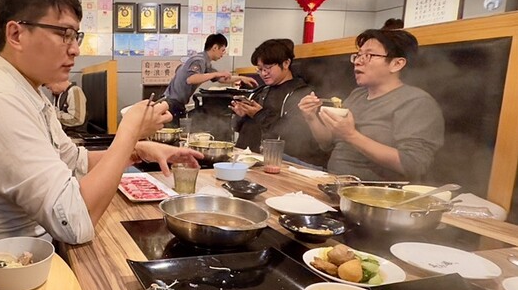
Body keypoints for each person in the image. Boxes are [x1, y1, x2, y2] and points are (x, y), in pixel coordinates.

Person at [0, 0, 201, 245]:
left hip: (28, 256)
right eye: (64, 34)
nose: (76, 49)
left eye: (77, 36)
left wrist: (136, 151)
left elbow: (76, 162)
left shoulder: (30, 92)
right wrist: (129, 131)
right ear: (16, 34)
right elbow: (75, 222)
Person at [298, 29, 444, 181]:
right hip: (333, 182)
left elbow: (413, 165)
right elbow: (327, 143)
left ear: (396, 64)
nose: (358, 61)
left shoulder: (416, 102)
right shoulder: (357, 95)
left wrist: (351, 135)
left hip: (376, 195)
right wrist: (311, 117)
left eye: (369, 55)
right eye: (358, 55)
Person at [230, 38, 326, 167]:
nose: (263, 73)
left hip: (277, 164)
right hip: (245, 160)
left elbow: (291, 135)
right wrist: (241, 116)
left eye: (268, 68)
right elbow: (237, 129)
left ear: (286, 63)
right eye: (260, 69)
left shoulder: (301, 94)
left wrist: (259, 114)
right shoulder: (261, 91)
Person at [161, 33, 257, 121]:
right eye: (222, 50)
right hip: (171, 102)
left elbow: (221, 79)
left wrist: (241, 78)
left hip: (177, 103)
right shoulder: (198, 60)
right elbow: (191, 79)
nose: (223, 54)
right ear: (215, 47)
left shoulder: (206, 63)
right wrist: (217, 74)